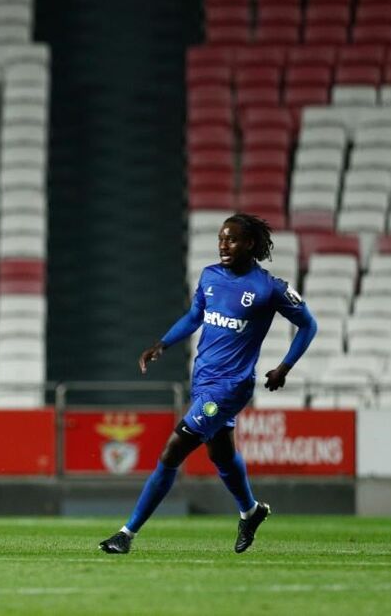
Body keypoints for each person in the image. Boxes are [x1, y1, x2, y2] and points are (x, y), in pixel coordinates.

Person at [99, 213, 317, 555]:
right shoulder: (210, 276)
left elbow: (309, 325)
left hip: (231, 386)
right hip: (203, 380)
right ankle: (251, 511)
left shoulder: (269, 288)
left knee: (173, 449)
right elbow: (194, 316)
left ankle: (127, 533)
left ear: (250, 244)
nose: (223, 245)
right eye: (220, 239)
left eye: (231, 239)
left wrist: (284, 367)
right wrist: (163, 344)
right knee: (221, 453)